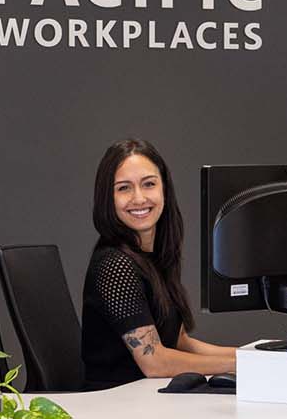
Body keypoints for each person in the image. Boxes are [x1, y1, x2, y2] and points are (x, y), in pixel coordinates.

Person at [80, 139, 239, 391]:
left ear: (164, 188)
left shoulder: (152, 256)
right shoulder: (116, 265)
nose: (139, 198)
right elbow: (155, 362)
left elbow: (180, 342)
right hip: (116, 407)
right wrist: (240, 363)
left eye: (149, 184)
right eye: (124, 188)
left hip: (148, 400)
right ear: (107, 198)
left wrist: (254, 355)